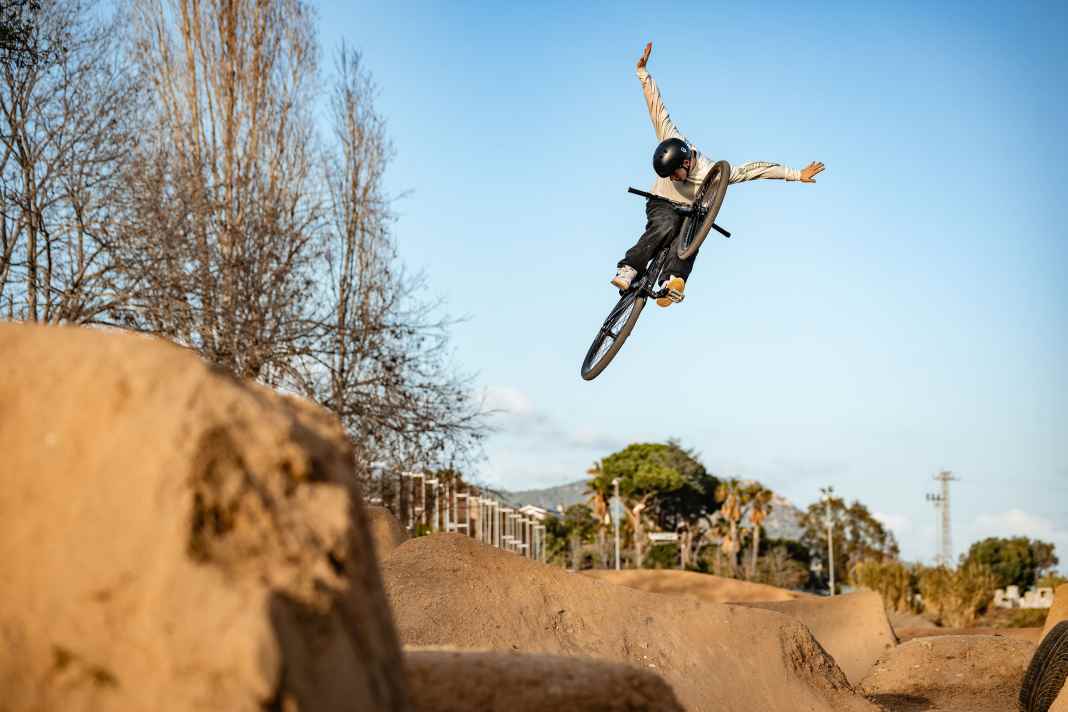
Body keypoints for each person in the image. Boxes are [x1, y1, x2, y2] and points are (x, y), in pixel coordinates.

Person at [612, 42, 826, 306]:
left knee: (690, 233)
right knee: (664, 226)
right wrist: (642, 73)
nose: (673, 179)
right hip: (661, 203)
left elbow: (754, 170)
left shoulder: (710, 172)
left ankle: (672, 280)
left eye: (675, 175)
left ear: (687, 164)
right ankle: (630, 269)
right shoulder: (670, 138)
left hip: (693, 210)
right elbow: (656, 107)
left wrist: (795, 174)